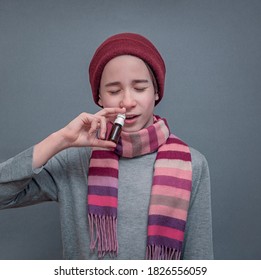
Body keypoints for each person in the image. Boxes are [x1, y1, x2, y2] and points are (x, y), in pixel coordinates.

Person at [0, 33, 213, 260]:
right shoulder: (74, 159)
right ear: (99, 98)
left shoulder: (192, 164)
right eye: (113, 91)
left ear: (157, 92)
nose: (128, 102)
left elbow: (199, 258)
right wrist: (61, 140)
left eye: (140, 88)